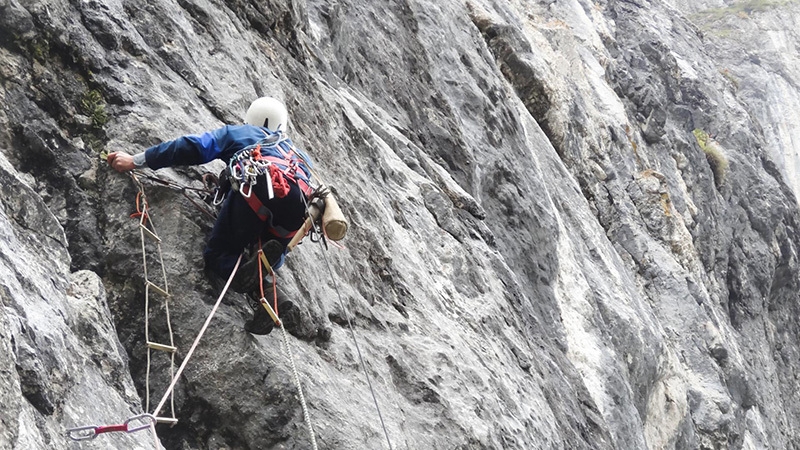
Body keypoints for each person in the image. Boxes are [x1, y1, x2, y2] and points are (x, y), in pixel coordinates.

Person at [107, 97, 313, 335]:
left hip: (256, 194)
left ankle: (253, 278)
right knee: (266, 255)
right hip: (294, 214)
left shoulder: (241, 134)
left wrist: (137, 160)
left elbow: (193, 147)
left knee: (219, 255)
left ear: (252, 119)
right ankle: (268, 290)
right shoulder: (299, 158)